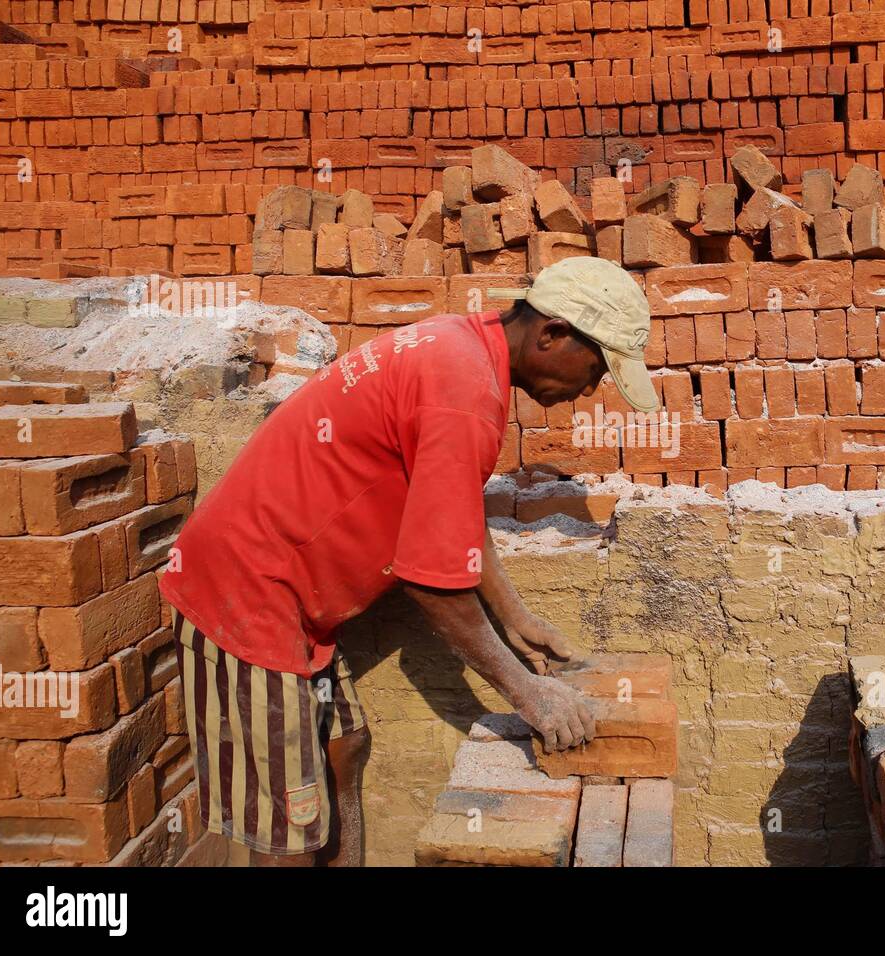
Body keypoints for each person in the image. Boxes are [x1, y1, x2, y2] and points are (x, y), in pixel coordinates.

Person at [159, 256, 658, 865]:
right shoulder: (465, 390)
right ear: (553, 334)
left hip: (289, 595)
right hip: (242, 591)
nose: (589, 388)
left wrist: (517, 618)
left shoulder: (463, 347)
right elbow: (430, 579)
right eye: (598, 368)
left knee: (345, 748)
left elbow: (453, 515)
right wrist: (527, 693)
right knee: (289, 820)